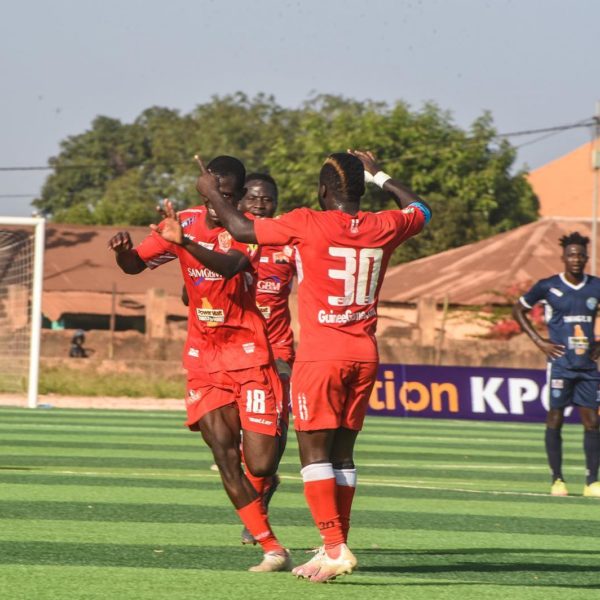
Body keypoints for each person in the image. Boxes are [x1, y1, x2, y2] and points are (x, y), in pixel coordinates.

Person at [185, 149, 431, 582]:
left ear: (322, 190)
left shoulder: (307, 222)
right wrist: (380, 175)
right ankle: (334, 546)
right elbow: (422, 209)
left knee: (314, 456)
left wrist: (211, 192)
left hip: (321, 356)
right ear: (360, 188)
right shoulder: (385, 225)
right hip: (364, 353)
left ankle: (334, 548)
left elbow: (240, 228)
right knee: (343, 456)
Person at [108, 155, 291, 572]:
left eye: (223, 195)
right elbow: (135, 266)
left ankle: (268, 469)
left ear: (238, 196)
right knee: (225, 455)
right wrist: (123, 253)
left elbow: (231, 267)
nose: (214, 202)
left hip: (250, 356)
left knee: (261, 464)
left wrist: (186, 245)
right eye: (209, 193)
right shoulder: (183, 222)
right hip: (203, 359)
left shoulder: (249, 229)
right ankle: (272, 548)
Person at [513, 231, 600, 498]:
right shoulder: (548, 286)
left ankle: (592, 482)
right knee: (555, 417)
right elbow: (518, 309)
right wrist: (540, 341)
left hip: (587, 366)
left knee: (592, 422)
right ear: (563, 257)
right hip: (560, 364)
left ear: (586, 258)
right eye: (571, 254)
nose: (576, 259)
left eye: (580, 255)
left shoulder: (595, 286)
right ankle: (557, 480)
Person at [237, 172, 296, 545]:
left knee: (269, 437)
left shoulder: (289, 243)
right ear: (239, 201)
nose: (260, 204)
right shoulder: (226, 240)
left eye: (267, 198)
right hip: (231, 352)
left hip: (277, 353)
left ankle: (257, 504)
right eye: (253, 198)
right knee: (232, 436)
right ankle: (262, 482)